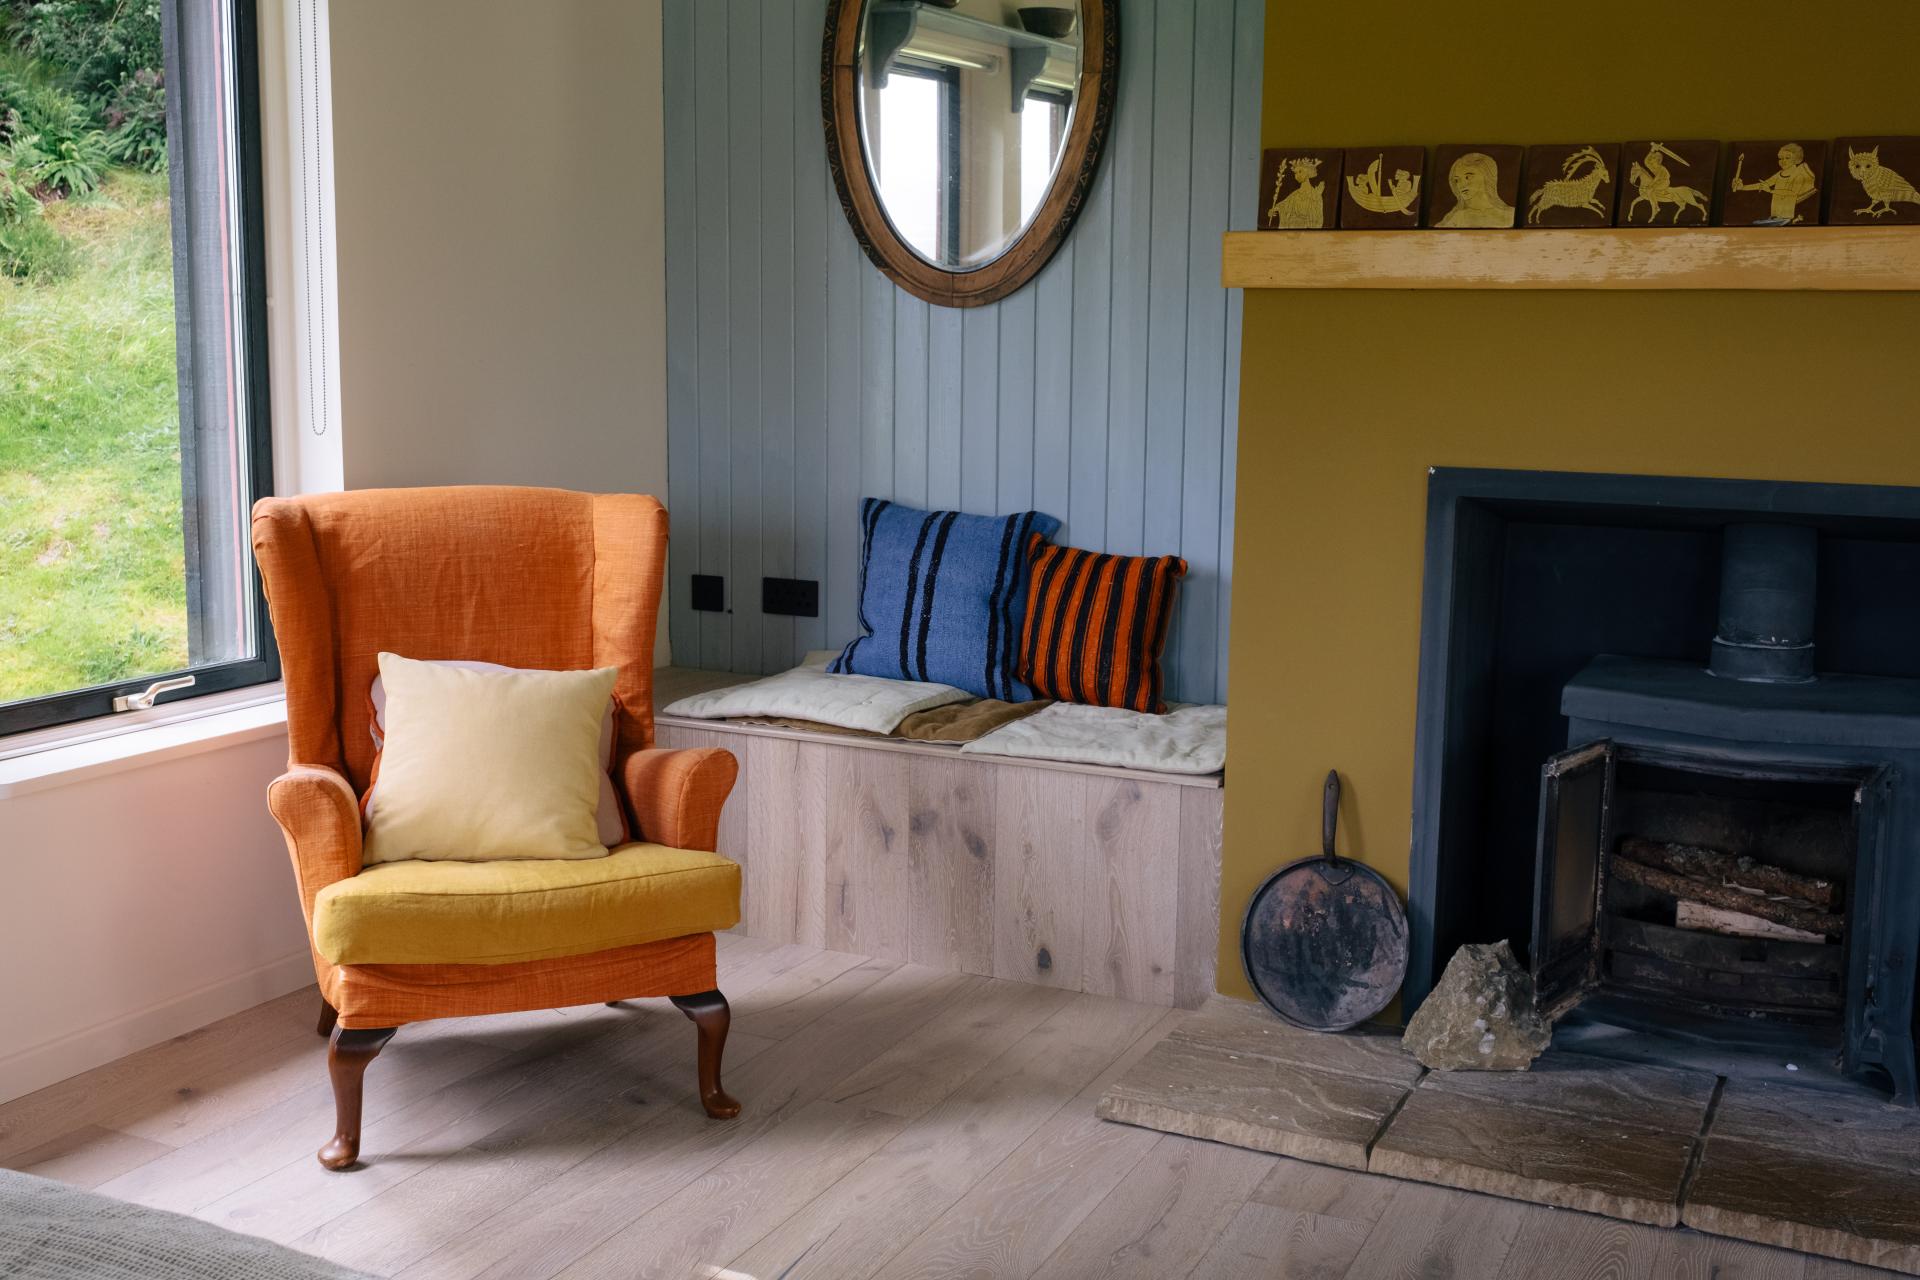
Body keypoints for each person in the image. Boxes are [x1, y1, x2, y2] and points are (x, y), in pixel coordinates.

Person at [1732, 143, 1818, 224]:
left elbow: (1792, 193)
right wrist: (1743, 187)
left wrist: (1770, 191)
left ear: (1796, 159)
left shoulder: (1798, 174)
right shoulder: (1779, 174)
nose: (1783, 161)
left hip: (1786, 217)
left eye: (1787, 158)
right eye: (1780, 158)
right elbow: (1764, 184)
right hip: (1774, 216)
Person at [1436, 151, 1515, 228]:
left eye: (1468, 177)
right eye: (1457, 180)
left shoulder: (1511, 214)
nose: (1462, 184)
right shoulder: (1457, 218)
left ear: (1486, 176)